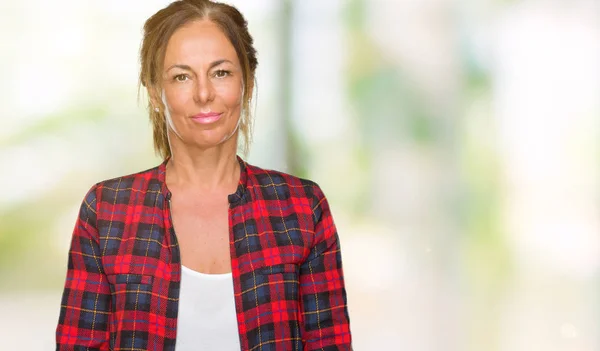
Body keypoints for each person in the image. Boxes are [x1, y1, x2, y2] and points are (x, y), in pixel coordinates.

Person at [55, 1, 352, 350]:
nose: (203, 93)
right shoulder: (106, 211)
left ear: (249, 82)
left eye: (221, 72)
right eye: (182, 76)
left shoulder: (302, 207)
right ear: (154, 93)